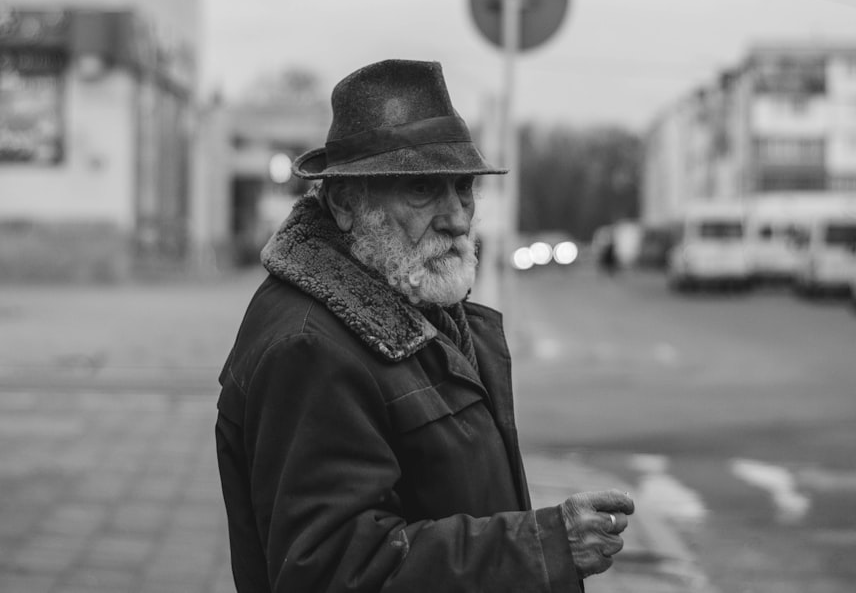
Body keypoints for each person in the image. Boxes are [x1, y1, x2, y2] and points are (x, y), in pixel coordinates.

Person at [216, 59, 635, 592]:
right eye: (422, 190)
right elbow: (334, 571)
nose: (457, 218)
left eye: (462, 188)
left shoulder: (414, 303)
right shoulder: (310, 350)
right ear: (346, 202)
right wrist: (544, 543)